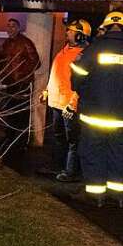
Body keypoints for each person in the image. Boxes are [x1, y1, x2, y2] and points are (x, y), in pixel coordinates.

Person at [70, 10, 123, 204]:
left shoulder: (93, 50)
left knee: (93, 152)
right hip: (122, 117)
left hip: (93, 115)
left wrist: (87, 94)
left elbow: (76, 81)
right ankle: (118, 196)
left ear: (105, 28)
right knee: (120, 154)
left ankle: (95, 195)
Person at [39, 19, 91, 181]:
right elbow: (57, 72)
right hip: (57, 102)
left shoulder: (84, 55)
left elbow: (83, 84)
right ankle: (58, 167)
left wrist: (72, 104)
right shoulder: (65, 50)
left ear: (80, 35)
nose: (67, 32)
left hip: (69, 105)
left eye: (71, 30)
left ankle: (70, 172)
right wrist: (47, 91)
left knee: (72, 140)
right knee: (58, 137)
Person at [0, 18, 40, 150]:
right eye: (8, 26)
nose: (10, 29)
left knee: (22, 114)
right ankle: (9, 139)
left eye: (13, 26)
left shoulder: (25, 43)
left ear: (18, 28)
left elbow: (36, 62)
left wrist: (23, 76)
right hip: (9, 84)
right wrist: (2, 75)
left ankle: (21, 143)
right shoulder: (6, 43)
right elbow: (2, 61)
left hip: (22, 85)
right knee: (10, 113)